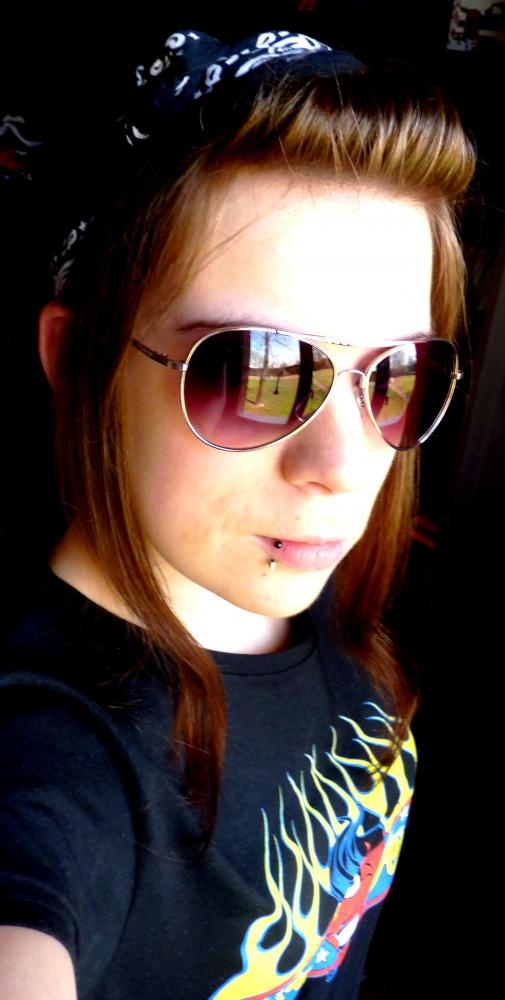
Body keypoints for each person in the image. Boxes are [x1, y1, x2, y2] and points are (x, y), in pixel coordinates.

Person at [0, 25, 475, 1000]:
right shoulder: (49, 755)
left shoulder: (332, 592)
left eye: (396, 376)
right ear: (79, 361)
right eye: (255, 372)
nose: (342, 467)